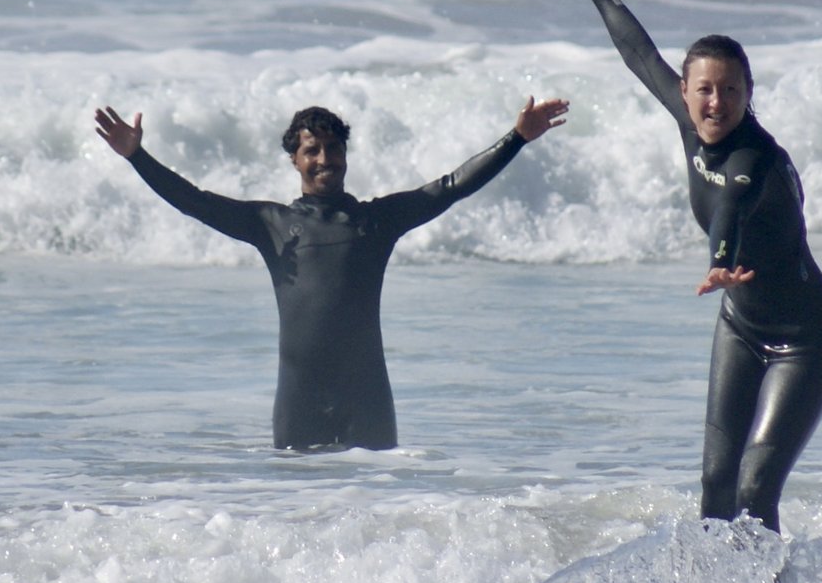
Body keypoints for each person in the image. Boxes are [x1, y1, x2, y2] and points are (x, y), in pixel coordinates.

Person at [555, 0, 822, 531]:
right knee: (714, 485)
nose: (717, 102)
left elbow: (732, 210)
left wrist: (717, 263)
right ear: (685, 92)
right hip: (741, 326)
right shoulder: (690, 120)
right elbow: (639, 54)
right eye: (705, 90)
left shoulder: (756, 158)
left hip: (805, 340)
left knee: (755, 486)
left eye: (732, 90)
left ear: (749, 95)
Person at [93, 95, 568, 450]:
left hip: (366, 401)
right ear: (295, 159)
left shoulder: (375, 222)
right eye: (313, 150)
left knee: (380, 523)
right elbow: (193, 201)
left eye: (333, 149)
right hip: (299, 402)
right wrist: (138, 157)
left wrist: (516, 139)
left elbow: (449, 188)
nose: (324, 159)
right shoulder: (271, 224)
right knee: (297, 519)